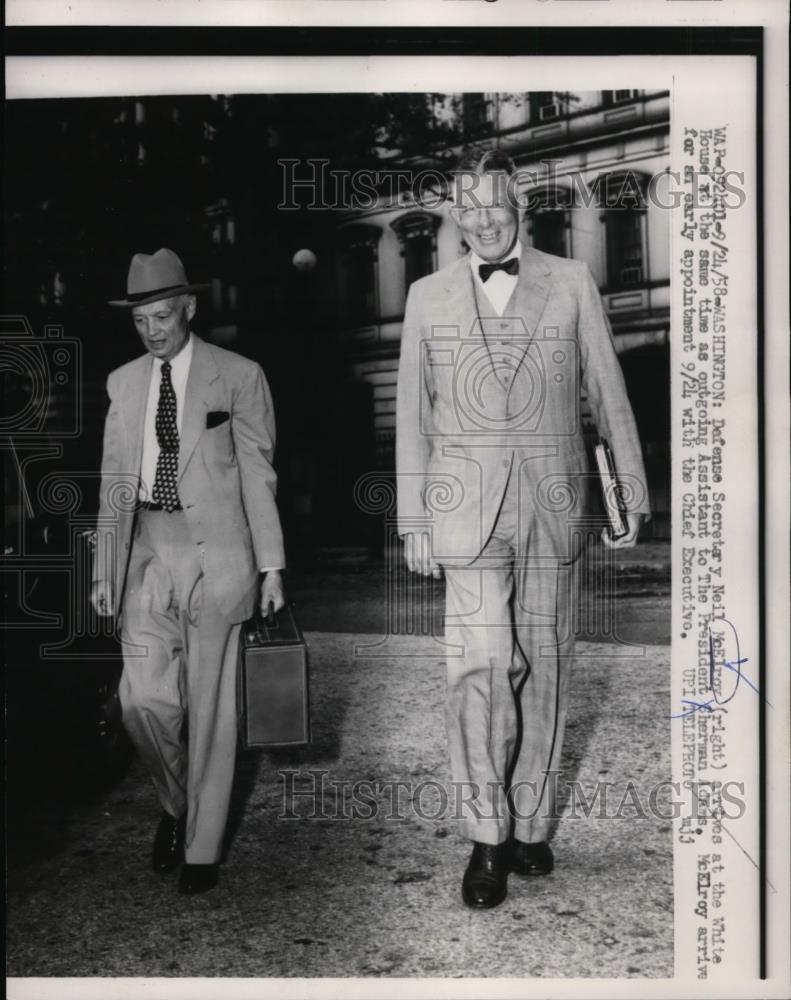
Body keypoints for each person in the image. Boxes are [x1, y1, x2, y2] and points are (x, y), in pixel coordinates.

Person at [396, 150, 650, 909]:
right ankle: (485, 834)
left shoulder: (569, 282)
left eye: (492, 204)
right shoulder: (425, 295)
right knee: (478, 666)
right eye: (464, 209)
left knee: (544, 661)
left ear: (520, 206)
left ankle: (532, 822)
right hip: (464, 510)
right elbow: (411, 414)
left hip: (551, 502)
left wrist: (627, 491)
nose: (479, 219)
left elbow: (606, 389)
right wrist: (412, 515)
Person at [91, 248, 285, 895]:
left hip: (222, 556)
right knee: (140, 701)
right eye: (141, 320)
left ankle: (201, 847)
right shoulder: (122, 385)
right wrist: (105, 566)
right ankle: (174, 803)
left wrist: (272, 565)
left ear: (190, 308)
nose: (153, 331)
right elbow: (115, 484)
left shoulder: (239, 375)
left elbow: (259, 476)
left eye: (163, 316)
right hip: (150, 553)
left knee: (212, 710)